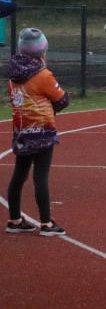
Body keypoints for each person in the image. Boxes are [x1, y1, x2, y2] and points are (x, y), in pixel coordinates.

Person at [6, 28, 70, 236]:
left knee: (18, 176)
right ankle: (46, 224)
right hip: (42, 132)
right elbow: (62, 100)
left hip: (22, 133)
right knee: (41, 176)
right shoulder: (44, 75)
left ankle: (14, 219)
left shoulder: (13, 77)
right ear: (42, 51)